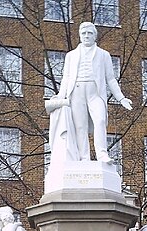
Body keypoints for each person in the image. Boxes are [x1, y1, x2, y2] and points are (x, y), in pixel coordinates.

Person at [50, 21, 132, 164]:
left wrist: (121, 98)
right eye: (84, 33)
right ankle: (84, 158)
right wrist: (61, 96)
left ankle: (102, 154)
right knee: (80, 126)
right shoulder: (71, 55)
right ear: (80, 35)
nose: (86, 36)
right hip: (76, 92)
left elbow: (110, 79)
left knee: (100, 121)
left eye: (90, 33)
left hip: (96, 94)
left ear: (95, 36)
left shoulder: (103, 55)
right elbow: (67, 77)